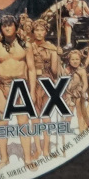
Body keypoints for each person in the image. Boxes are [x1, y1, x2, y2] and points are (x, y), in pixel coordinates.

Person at [0, 15, 35, 169]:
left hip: (20, 87)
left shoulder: (26, 46)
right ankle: (4, 158)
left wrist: (32, 92)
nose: (7, 28)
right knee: (2, 123)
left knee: (23, 123)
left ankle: (28, 159)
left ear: (16, 26)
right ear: (1, 28)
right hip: (2, 87)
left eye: (10, 25)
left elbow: (32, 69)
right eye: (4, 26)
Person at [27, 18, 62, 158]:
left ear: (46, 32)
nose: (39, 33)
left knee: (46, 117)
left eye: (42, 30)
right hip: (32, 83)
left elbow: (55, 71)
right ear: (33, 31)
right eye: (37, 30)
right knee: (34, 118)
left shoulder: (51, 48)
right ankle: (38, 149)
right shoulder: (28, 46)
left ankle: (46, 149)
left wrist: (58, 57)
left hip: (47, 83)